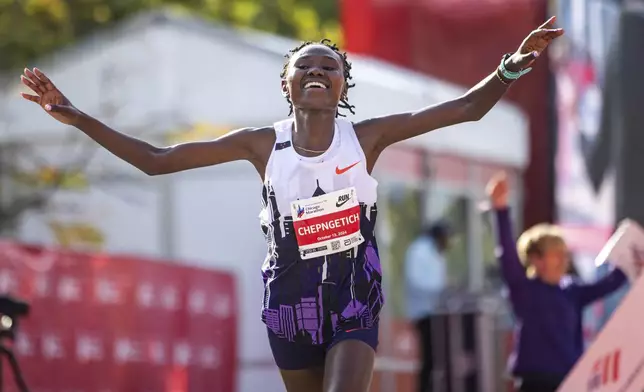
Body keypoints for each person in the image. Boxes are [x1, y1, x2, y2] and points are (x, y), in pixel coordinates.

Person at [18, 17, 562, 392]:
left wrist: (514, 63)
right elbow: (157, 159)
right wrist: (76, 115)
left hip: (353, 297)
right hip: (289, 302)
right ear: (288, 84)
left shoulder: (365, 137)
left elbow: (466, 109)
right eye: (307, 66)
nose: (319, 72)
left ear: (344, 83)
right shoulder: (262, 144)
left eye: (330, 67)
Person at [486, 172, 628, 392]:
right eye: (556, 254)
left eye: (564, 253)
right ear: (536, 259)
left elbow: (611, 282)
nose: (564, 259)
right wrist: (500, 209)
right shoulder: (524, 290)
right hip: (535, 384)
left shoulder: (572, 290)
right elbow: (506, 255)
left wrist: (631, 255)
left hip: (570, 383)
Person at [404, 221, 451, 392]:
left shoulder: (436, 253)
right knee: (429, 359)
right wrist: (441, 290)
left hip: (436, 313)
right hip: (425, 313)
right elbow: (417, 282)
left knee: (438, 358)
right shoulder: (420, 251)